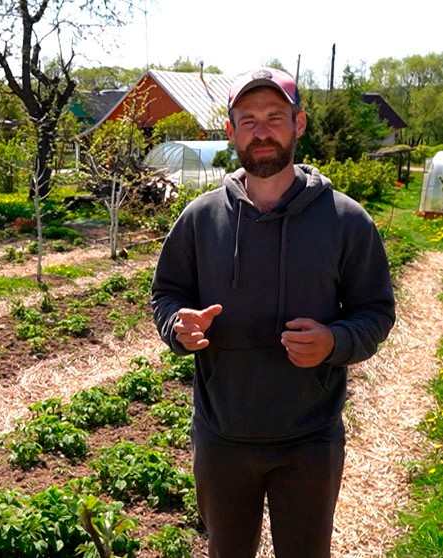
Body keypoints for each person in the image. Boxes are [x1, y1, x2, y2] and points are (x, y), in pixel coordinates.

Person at [150, 67, 396, 558]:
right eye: (248, 121)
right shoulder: (200, 219)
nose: (261, 132)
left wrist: (335, 341)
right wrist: (179, 327)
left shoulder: (345, 221)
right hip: (222, 436)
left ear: (298, 124)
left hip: (310, 439)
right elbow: (166, 295)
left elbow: (375, 310)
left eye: (274, 117)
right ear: (230, 132)